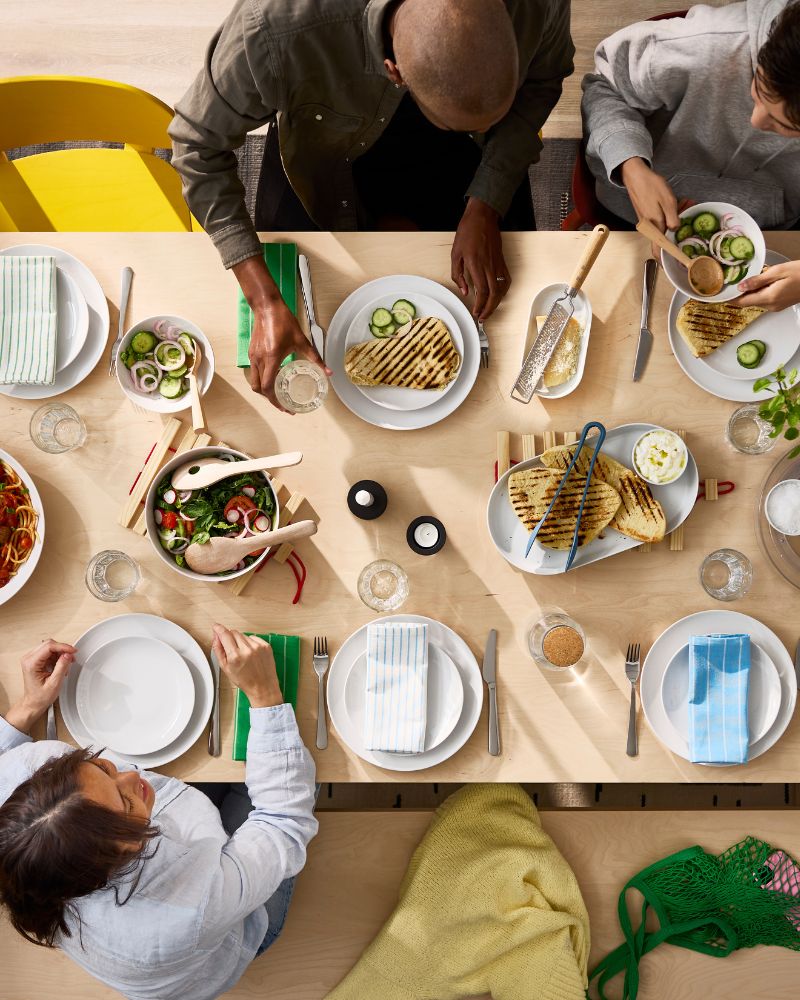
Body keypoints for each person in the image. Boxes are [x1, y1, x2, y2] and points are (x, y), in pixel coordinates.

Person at [170, 0, 574, 409]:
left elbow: (544, 78)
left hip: (468, 156)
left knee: (517, 300)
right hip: (321, 152)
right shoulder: (274, 26)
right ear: (394, 72)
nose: (492, 130)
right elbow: (195, 147)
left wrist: (488, 196)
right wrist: (264, 300)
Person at [0, 628, 317, 1000]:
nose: (133, 774)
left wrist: (28, 705)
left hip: (182, 849)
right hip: (226, 923)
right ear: (126, 850)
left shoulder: (20, 780)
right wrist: (264, 696)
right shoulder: (185, 913)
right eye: (126, 802)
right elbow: (283, 821)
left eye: (102, 768)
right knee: (284, 775)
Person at [581, 0, 800, 237]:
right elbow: (603, 86)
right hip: (630, 211)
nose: (755, 121)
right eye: (759, 89)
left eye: (783, 125)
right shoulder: (706, 45)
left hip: (771, 232)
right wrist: (631, 166)